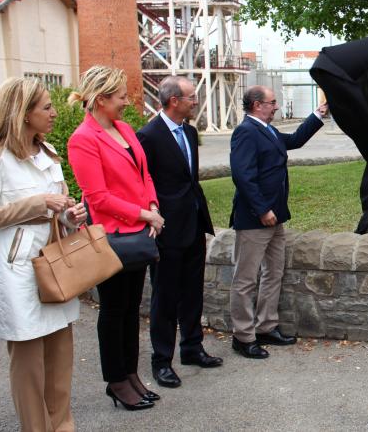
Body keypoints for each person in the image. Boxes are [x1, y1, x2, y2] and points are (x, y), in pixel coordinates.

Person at [0, 77, 87, 430]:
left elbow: (58, 205)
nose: (54, 113)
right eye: (46, 107)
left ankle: (62, 425)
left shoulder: (48, 152)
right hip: (18, 271)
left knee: (60, 355)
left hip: (54, 263)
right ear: (23, 114)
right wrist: (36, 204)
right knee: (29, 363)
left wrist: (69, 214)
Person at [68, 66, 163, 411]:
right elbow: (98, 197)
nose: (127, 101)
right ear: (101, 99)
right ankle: (116, 380)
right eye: (121, 96)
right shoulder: (83, 139)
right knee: (113, 310)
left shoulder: (124, 129)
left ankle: (131, 374)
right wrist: (144, 214)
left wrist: (151, 203)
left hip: (137, 233)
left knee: (130, 309)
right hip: (110, 237)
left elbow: (144, 174)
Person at [229, 86, 327, 359]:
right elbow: (242, 175)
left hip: (275, 218)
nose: (277, 107)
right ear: (258, 105)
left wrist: (318, 115)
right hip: (255, 220)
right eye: (273, 103)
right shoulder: (246, 131)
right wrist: (262, 209)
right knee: (246, 279)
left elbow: (294, 140)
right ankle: (243, 336)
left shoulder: (266, 129)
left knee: (273, 273)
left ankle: (266, 327)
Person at [137, 76, 220, 388]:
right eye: (191, 97)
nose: (195, 101)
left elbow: (189, 179)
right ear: (174, 101)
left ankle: (192, 348)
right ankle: (161, 361)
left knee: (192, 292)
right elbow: (143, 183)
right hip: (167, 229)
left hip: (194, 223)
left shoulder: (189, 131)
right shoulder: (148, 135)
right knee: (165, 297)